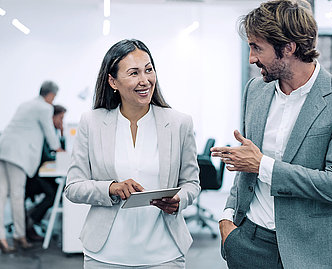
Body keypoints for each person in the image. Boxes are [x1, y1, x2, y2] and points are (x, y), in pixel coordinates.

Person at [210, 1, 332, 268]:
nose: (251, 58)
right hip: (249, 243)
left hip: (312, 251)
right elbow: (245, 163)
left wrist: (263, 166)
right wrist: (228, 220)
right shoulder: (255, 90)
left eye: (257, 47)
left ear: (288, 48)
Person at [65, 39, 200, 268]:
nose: (144, 80)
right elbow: (73, 187)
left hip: (164, 254)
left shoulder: (179, 123)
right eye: (134, 73)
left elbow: (191, 183)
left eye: (148, 70)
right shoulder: (92, 122)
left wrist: (180, 199)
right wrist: (110, 188)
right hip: (105, 255)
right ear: (113, 81)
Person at [0, 81, 63, 253]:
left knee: (2, 195)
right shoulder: (44, 108)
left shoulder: (25, 104)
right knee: (16, 195)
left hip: (4, 148)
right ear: (51, 95)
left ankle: (2, 238)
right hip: (18, 154)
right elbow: (50, 132)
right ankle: (20, 236)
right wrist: (59, 150)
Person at [25, 104, 67, 241]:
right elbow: (46, 156)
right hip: (34, 176)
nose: (62, 122)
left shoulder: (53, 133)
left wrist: (62, 133)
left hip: (40, 175)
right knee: (53, 194)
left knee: (58, 192)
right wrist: (59, 156)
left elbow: (59, 150)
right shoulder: (43, 134)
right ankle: (29, 222)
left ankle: (31, 218)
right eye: (60, 118)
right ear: (52, 117)